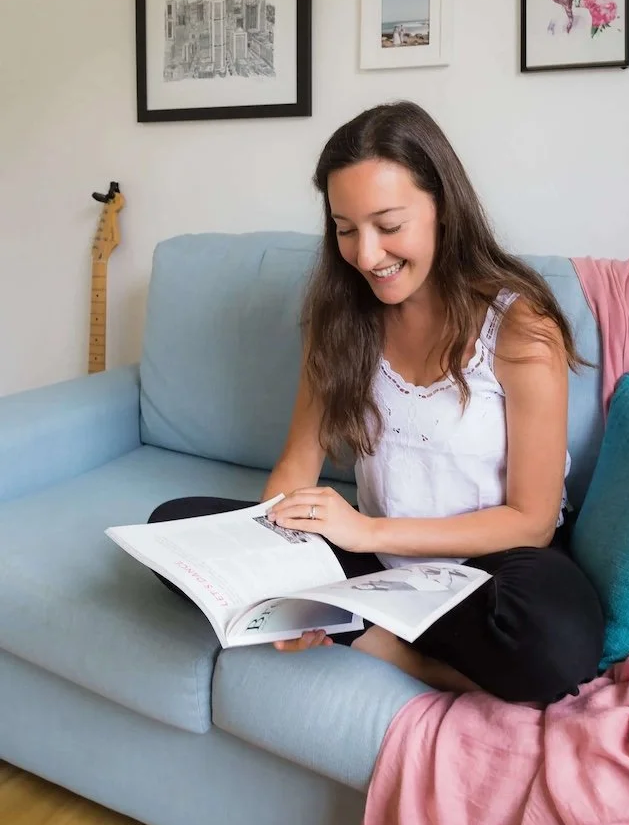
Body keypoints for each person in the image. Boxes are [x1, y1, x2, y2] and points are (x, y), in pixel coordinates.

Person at [149, 102, 605, 704]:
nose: (366, 256)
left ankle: (375, 641)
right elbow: (295, 469)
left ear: (444, 206)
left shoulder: (523, 329)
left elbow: (533, 519)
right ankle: (367, 626)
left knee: (553, 643)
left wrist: (365, 531)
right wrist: (276, 571)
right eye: (345, 229)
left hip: (489, 567)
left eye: (388, 225)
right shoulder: (338, 321)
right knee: (171, 528)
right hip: (371, 566)